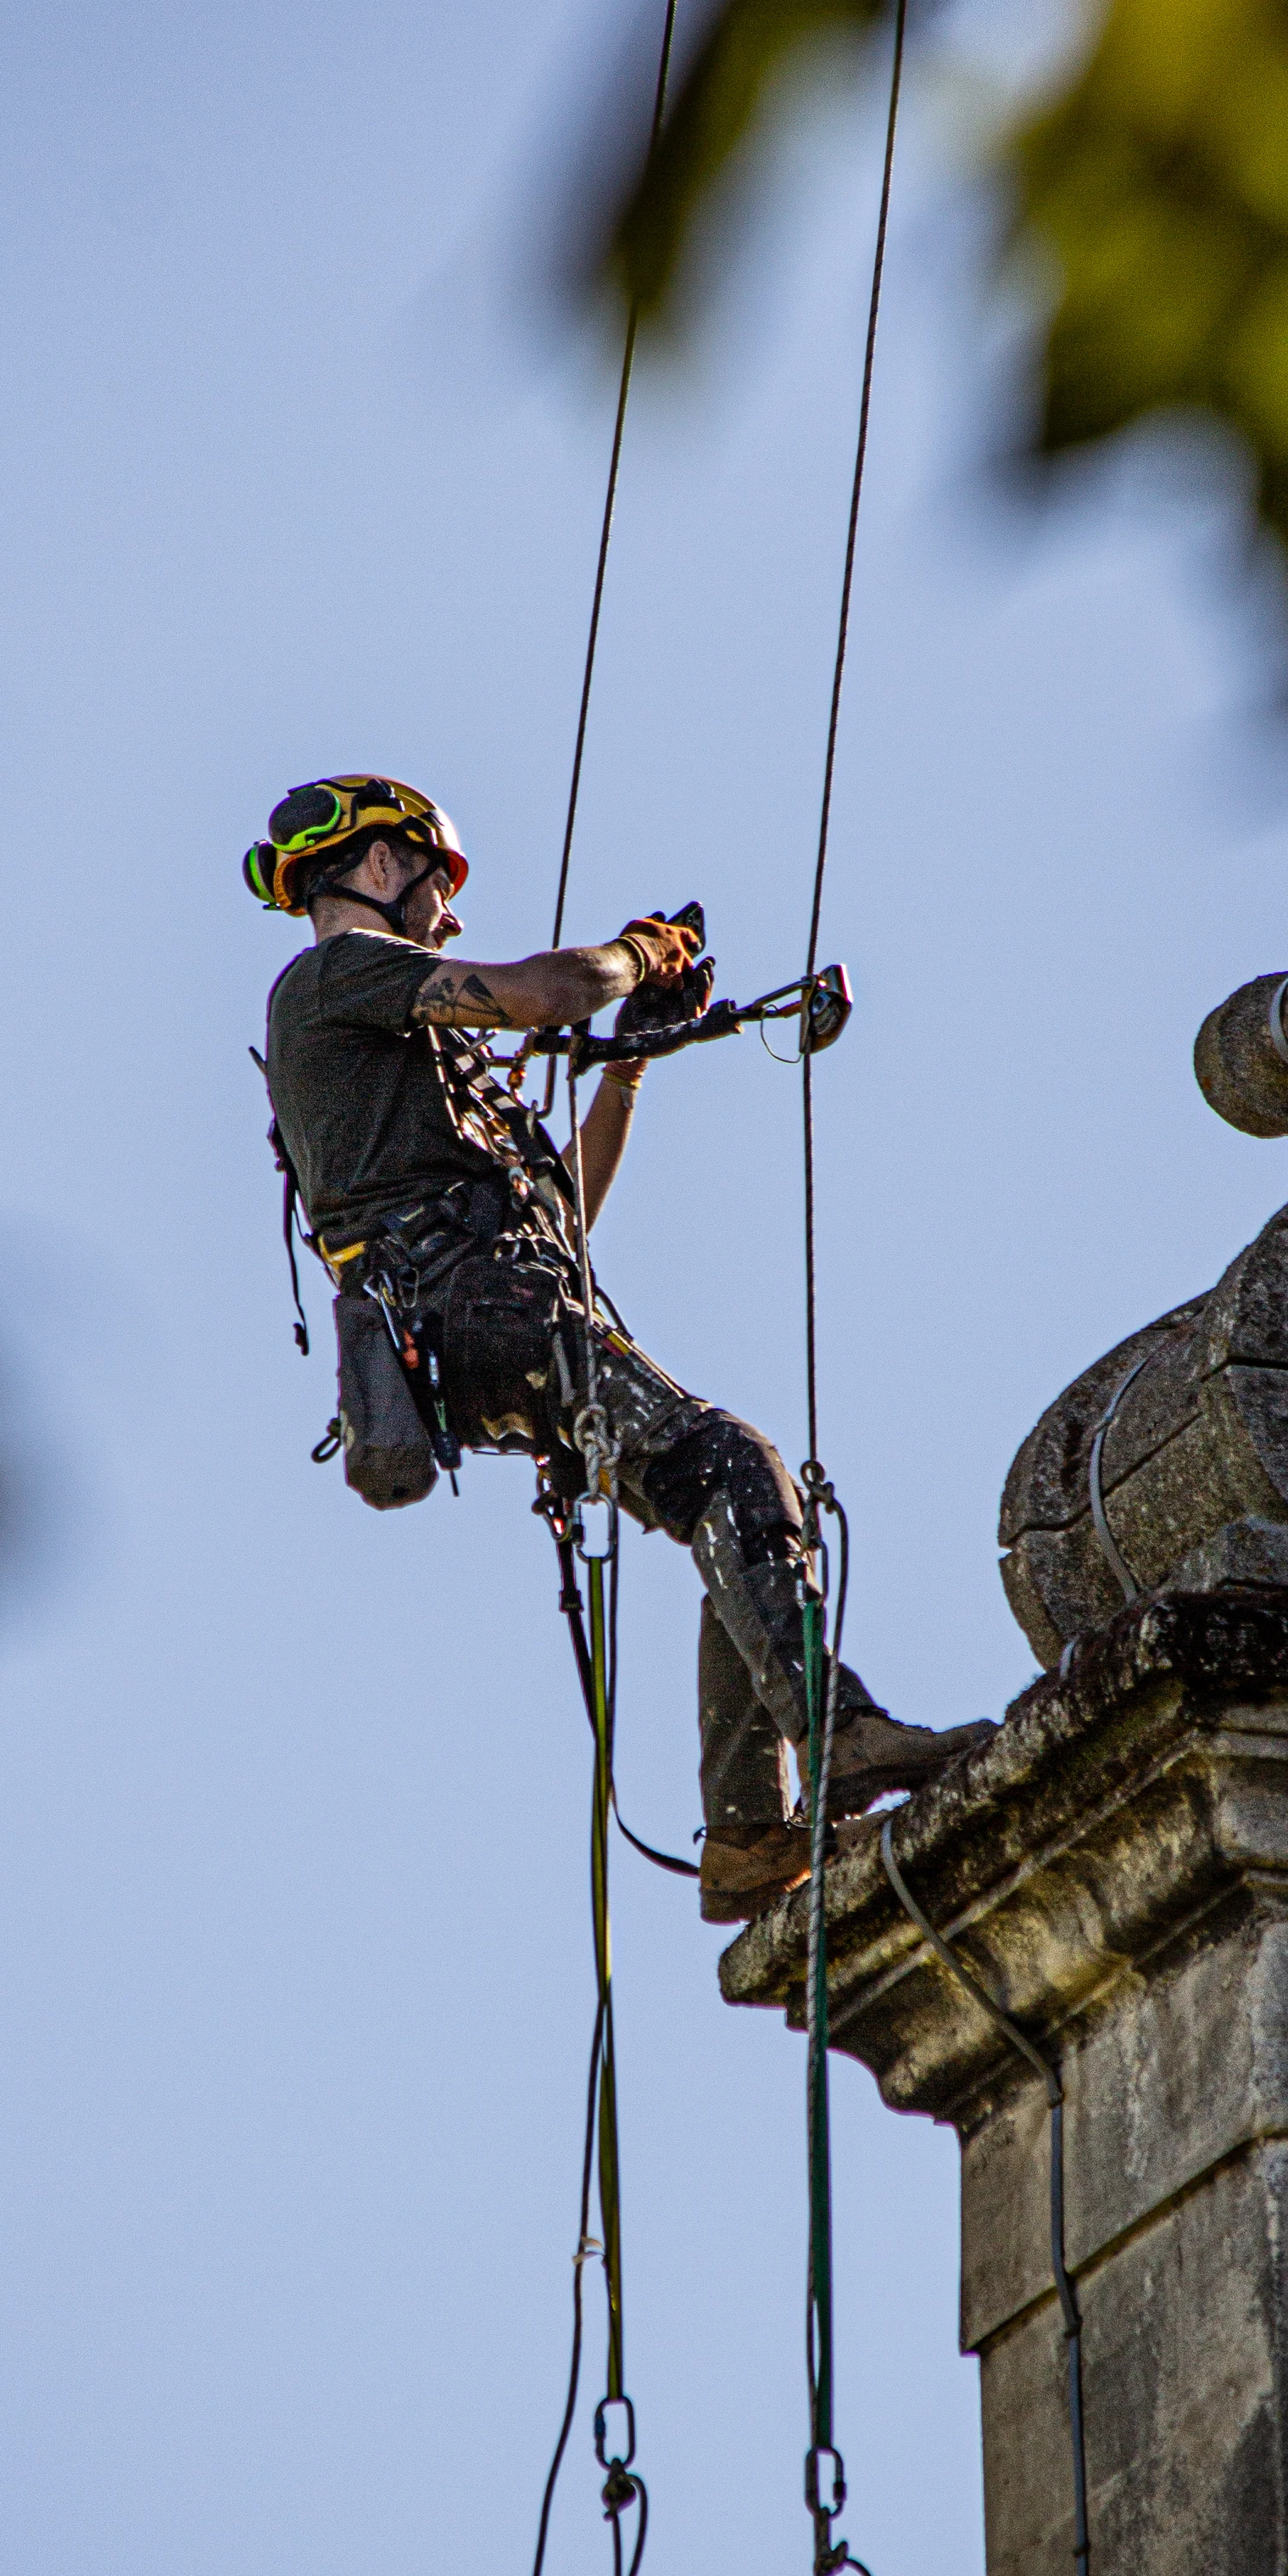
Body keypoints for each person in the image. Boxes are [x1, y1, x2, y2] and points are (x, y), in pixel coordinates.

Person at [252, 775, 990, 1920]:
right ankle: (830, 1734)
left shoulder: (395, 1046)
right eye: (437, 886)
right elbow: (547, 991)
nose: (448, 915)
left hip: (491, 1313)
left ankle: (751, 1832)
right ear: (380, 868)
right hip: (481, 1310)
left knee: (729, 1499)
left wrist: (630, 1064)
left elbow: (566, 1215)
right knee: (735, 1469)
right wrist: (640, 954)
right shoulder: (334, 978)